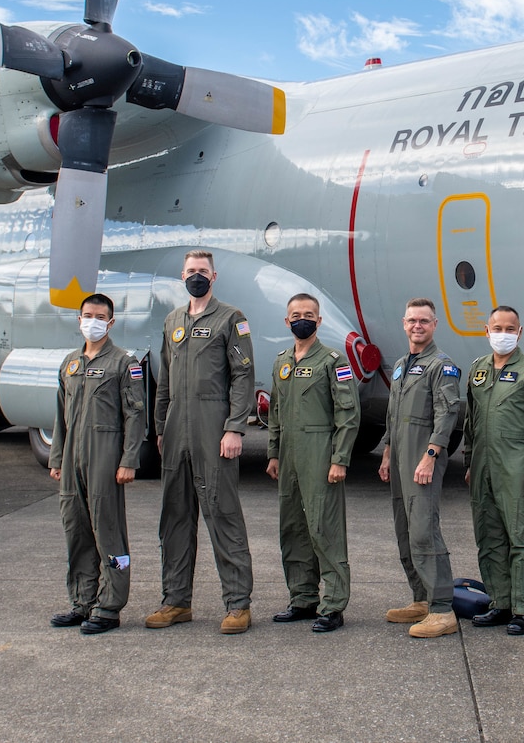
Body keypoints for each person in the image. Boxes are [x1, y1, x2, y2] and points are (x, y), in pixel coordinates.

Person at [148, 251, 258, 634]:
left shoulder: (231, 319)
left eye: (203, 272)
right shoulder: (172, 321)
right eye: (191, 272)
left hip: (214, 426)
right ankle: (176, 601)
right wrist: (161, 427)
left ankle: (237, 604)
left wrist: (234, 428)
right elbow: (164, 379)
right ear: (182, 275)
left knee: (222, 513)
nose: (197, 277)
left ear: (215, 276)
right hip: (177, 428)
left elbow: (242, 376)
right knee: (175, 517)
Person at [47, 294, 146, 635]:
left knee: (108, 531)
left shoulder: (124, 363)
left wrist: (129, 459)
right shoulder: (70, 364)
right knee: (76, 530)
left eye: (100, 316)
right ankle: (82, 601)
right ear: (79, 320)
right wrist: (57, 458)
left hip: (104, 458)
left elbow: (135, 414)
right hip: (72, 458)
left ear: (111, 322)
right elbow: (61, 417)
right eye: (87, 315)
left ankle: (109, 605)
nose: (93, 321)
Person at [264, 293, 359, 632]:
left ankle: (333, 604)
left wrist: (340, 458)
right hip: (289, 453)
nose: (301, 318)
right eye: (295, 314)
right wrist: (273, 453)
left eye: (308, 314)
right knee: (293, 527)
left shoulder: (333, 361)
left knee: (324, 527)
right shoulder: (281, 361)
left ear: (319, 321)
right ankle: (302, 597)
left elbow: (348, 415)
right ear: (286, 321)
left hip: (320, 450)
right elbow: (275, 412)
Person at [462, 305, 524, 636]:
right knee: (488, 537)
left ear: (519, 331)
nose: (502, 333)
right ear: (486, 331)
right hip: (482, 465)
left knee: (520, 538)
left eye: (509, 328)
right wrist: (470, 459)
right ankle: (500, 603)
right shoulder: (478, 369)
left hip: (515, 464)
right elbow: (470, 420)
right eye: (496, 327)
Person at [378, 298, 463, 638]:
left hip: (421, 458)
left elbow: (447, 414)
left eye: (424, 321)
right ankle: (421, 598)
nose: (417, 326)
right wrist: (386, 451)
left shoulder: (441, 366)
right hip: (399, 457)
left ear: (434, 325)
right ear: (404, 323)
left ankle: (442, 608)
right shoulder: (401, 364)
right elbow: (393, 413)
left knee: (424, 530)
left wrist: (431, 455)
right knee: (405, 529)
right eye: (412, 320)